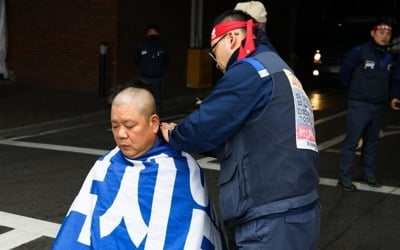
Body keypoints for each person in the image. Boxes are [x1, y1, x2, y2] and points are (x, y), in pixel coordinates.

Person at [160, 10, 320, 249]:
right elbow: (249, 138)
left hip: (270, 216)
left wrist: (174, 133)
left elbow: (201, 129)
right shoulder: (279, 68)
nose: (217, 65)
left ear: (232, 39)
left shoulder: (250, 70)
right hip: (297, 209)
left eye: (215, 54)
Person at [52, 80, 227, 249]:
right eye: (114, 126)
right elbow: (76, 229)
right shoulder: (105, 165)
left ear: (154, 123)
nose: (121, 134)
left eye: (129, 126)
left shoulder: (181, 168)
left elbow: (192, 236)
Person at [337, 21, 400, 192]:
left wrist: (394, 96)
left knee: (372, 142)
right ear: (373, 33)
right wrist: (356, 91)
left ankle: (368, 174)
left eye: (388, 34)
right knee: (351, 142)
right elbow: (345, 73)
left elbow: (394, 78)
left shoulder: (388, 56)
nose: (385, 36)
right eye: (381, 33)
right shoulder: (359, 51)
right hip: (359, 104)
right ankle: (344, 177)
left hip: (378, 106)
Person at [134, 25, 169, 113]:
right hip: (144, 77)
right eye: (150, 32)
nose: (152, 34)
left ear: (158, 33)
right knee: (144, 97)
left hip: (157, 77)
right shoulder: (141, 46)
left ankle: (157, 115)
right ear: (147, 34)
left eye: (154, 32)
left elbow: (167, 60)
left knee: (157, 98)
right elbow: (136, 60)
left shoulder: (163, 47)